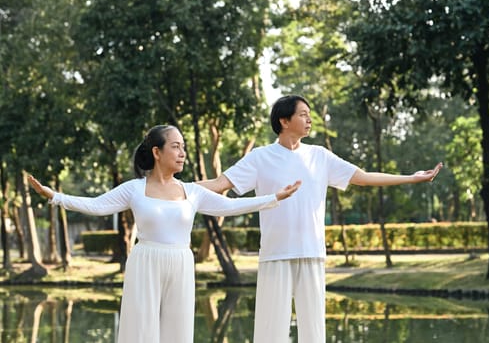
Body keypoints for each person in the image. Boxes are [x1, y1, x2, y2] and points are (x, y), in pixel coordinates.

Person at [198, 95, 443, 343]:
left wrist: (411, 178)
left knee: (314, 334)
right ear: (284, 120)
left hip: (312, 253)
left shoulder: (320, 156)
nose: (310, 119)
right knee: (269, 333)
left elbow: (364, 177)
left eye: (309, 114)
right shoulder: (260, 157)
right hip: (275, 255)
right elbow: (219, 185)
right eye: (303, 114)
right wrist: (170, 188)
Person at [28, 124, 301, 343]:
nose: (182, 153)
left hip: (181, 262)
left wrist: (273, 197)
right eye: (176, 147)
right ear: (157, 152)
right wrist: (54, 196)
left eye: (183, 147)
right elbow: (96, 205)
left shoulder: (191, 191)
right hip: (145, 261)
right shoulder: (134, 188)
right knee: (141, 329)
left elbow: (230, 206)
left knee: (178, 330)